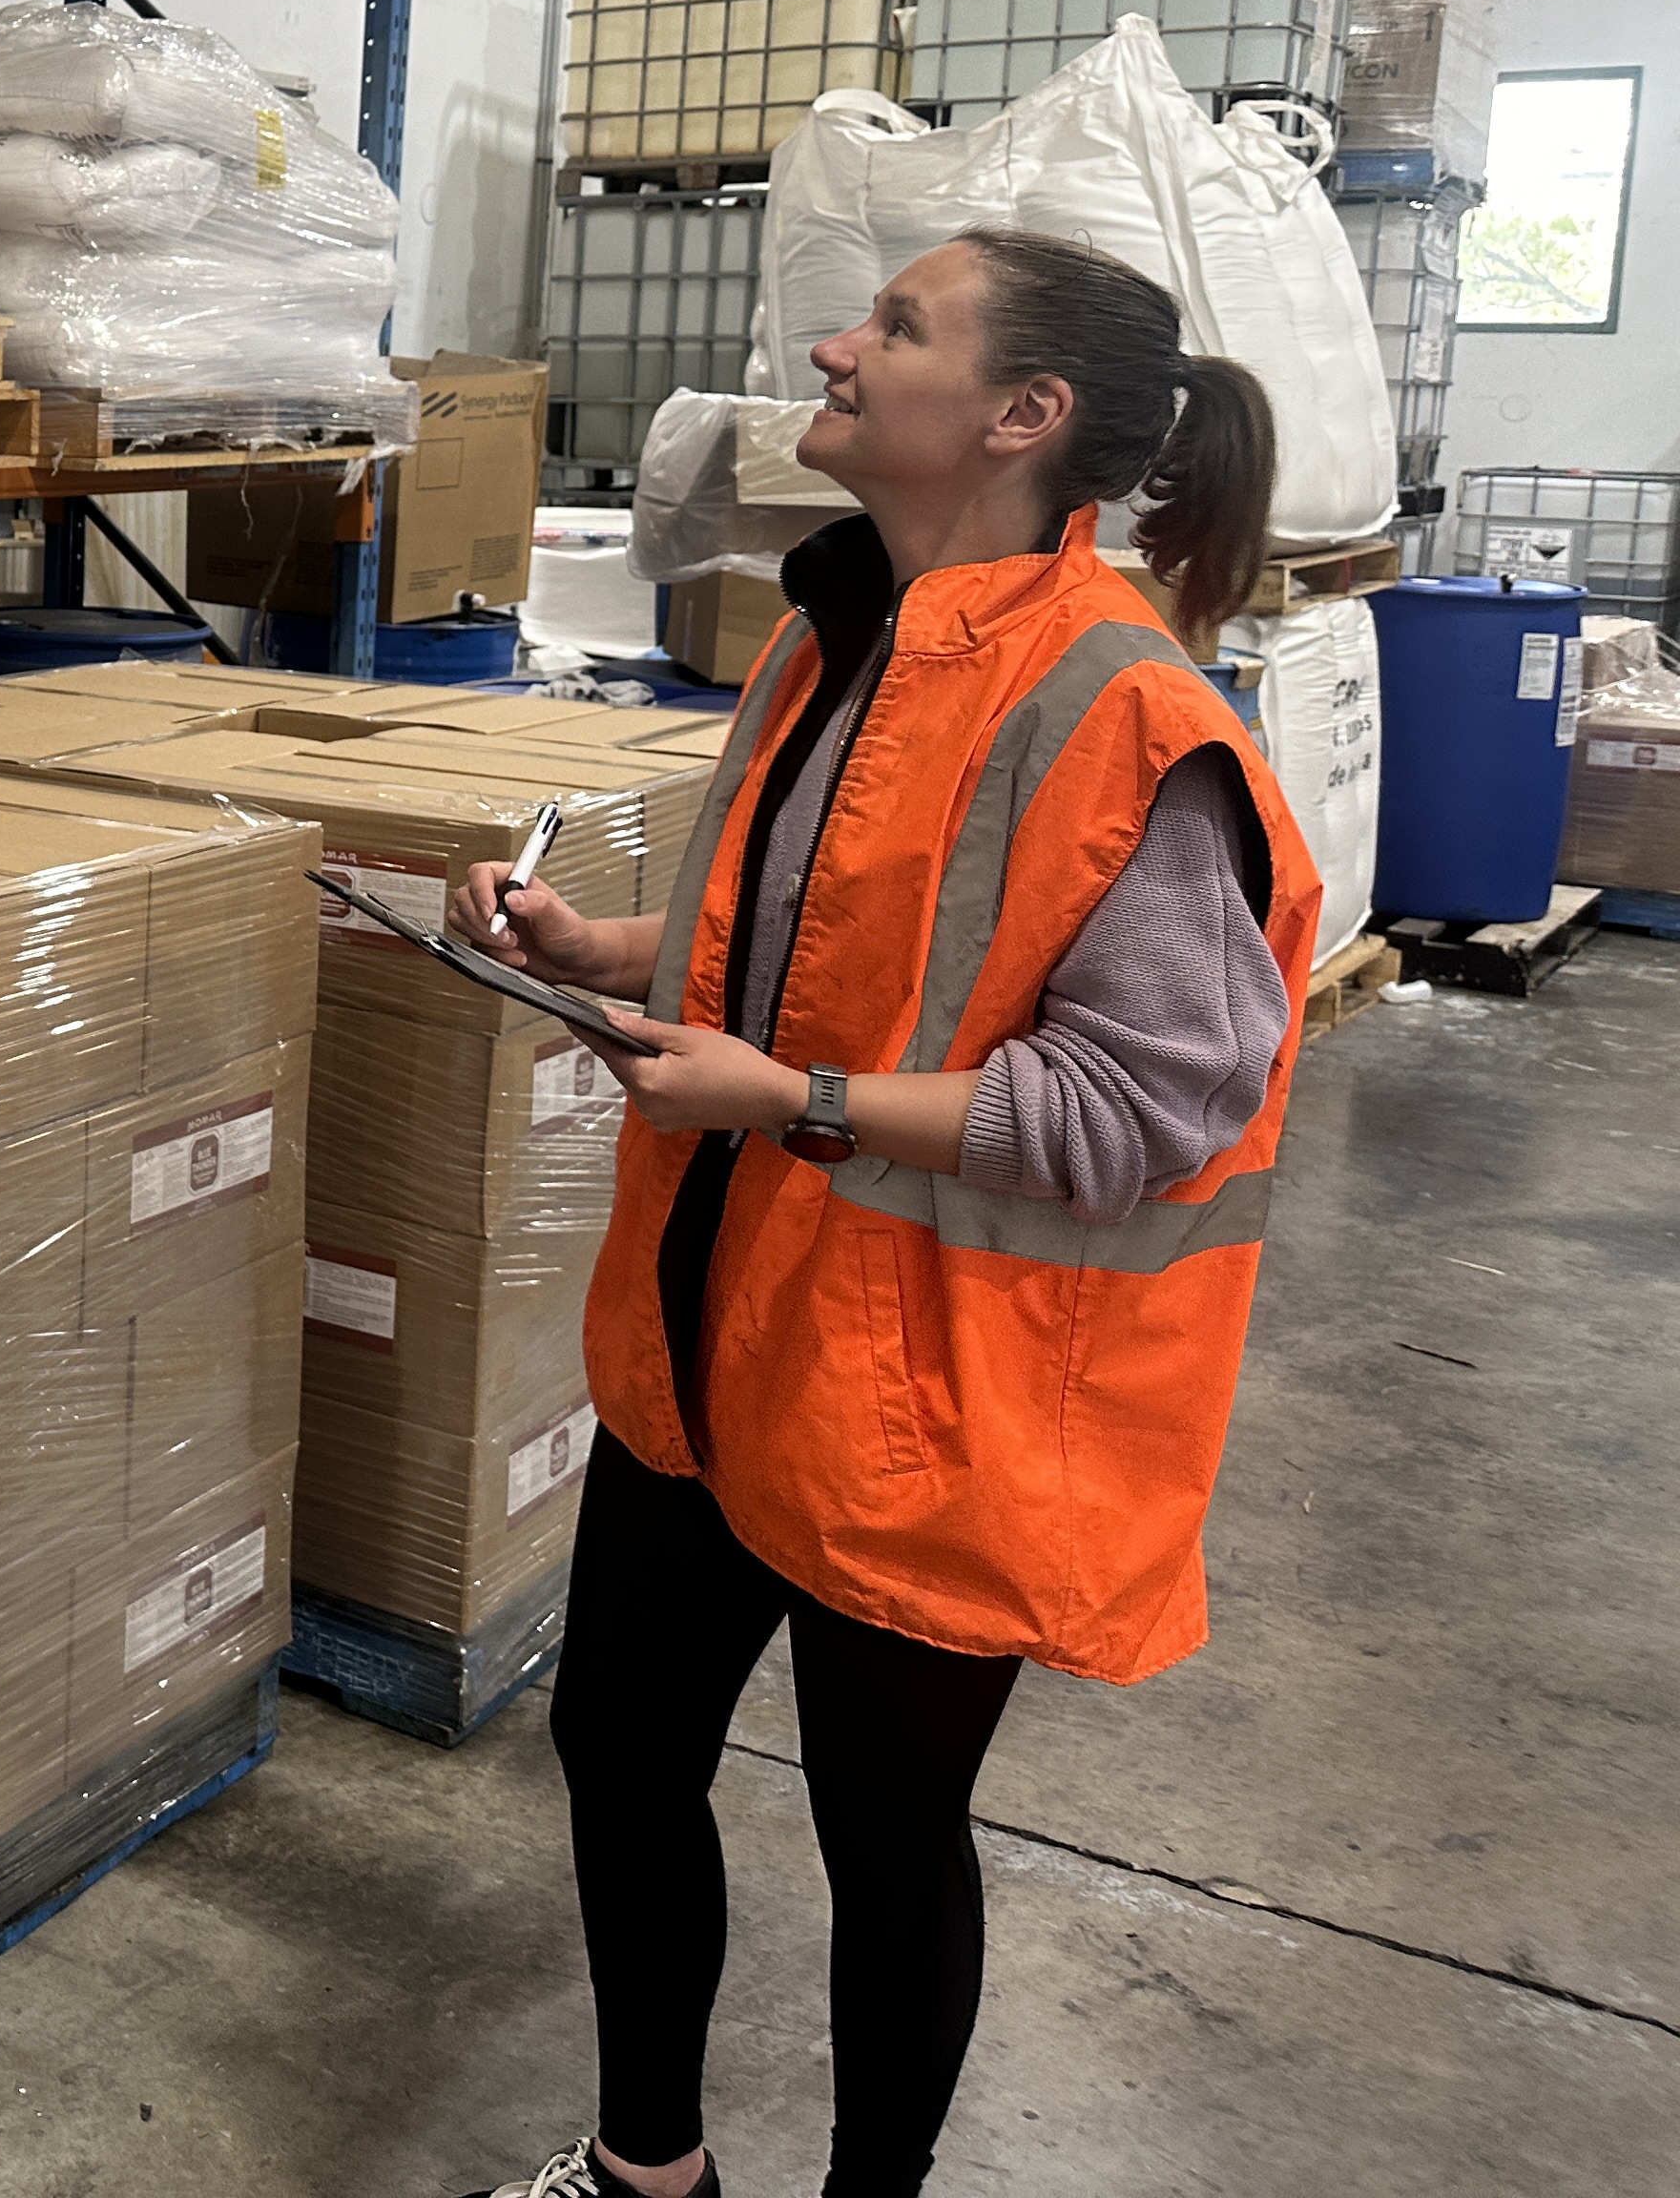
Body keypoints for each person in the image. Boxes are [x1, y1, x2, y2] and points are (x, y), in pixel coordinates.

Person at [455, 227, 1322, 2198]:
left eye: (897, 329)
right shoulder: (835, 629)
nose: (838, 348)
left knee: (885, 1840)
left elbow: (1147, 1104)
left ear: (1021, 418)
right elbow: (810, 929)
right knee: (620, 1744)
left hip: (937, 1397)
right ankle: (645, 2175)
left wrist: (797, 1102)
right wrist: (618, 944)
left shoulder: (1130, 719)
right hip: (718, 1335)